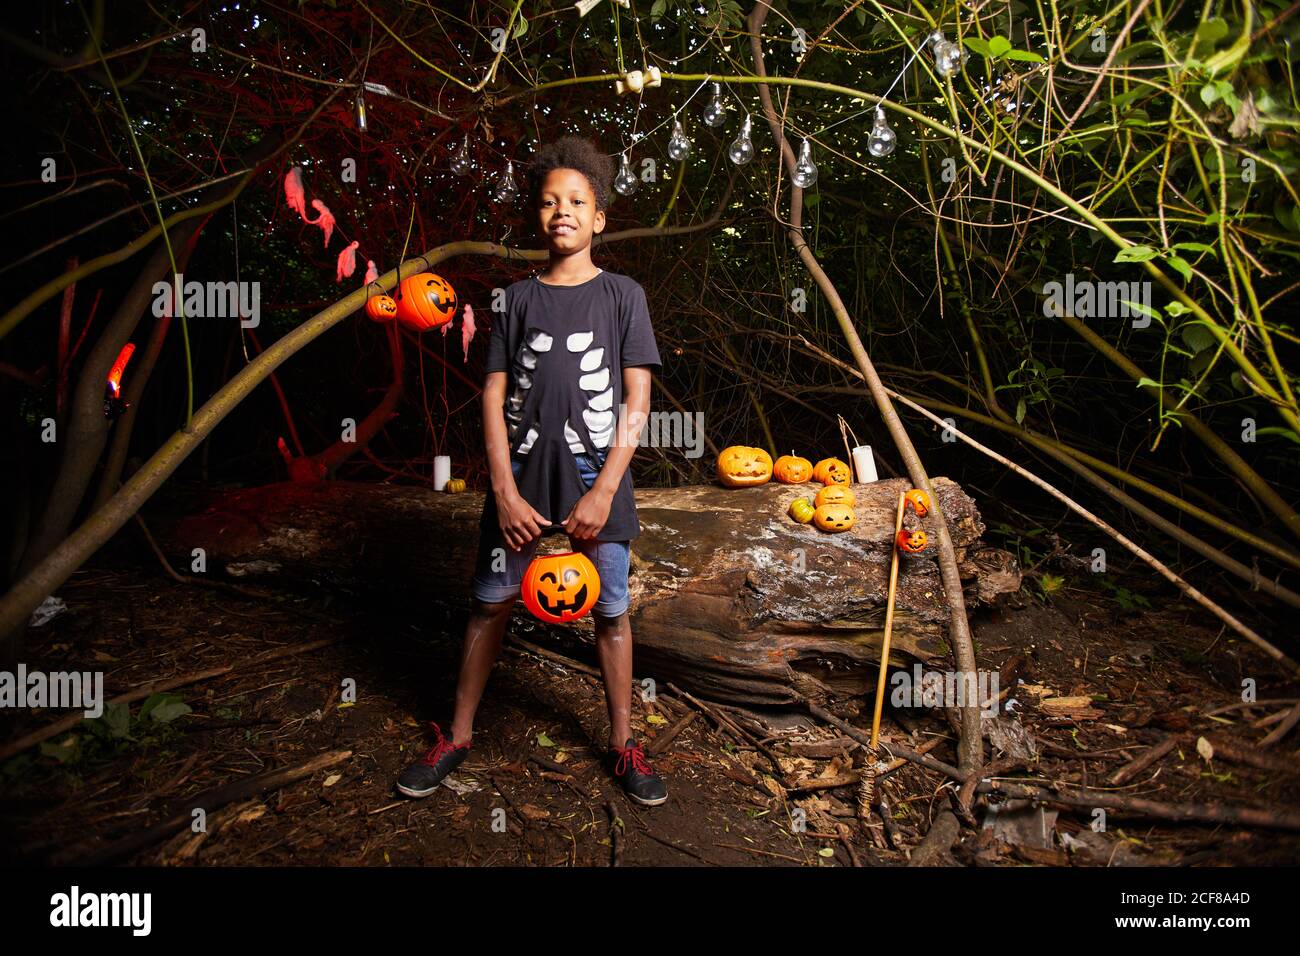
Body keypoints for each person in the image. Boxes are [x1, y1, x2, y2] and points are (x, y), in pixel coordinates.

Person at [396, 136, 668, 806]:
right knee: (489, 606)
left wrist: (606, 489)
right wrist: (504, 490)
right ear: (538, 217)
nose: (562, 211)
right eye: (549, 202)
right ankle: (456, 736)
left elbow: (638, 399)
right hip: (520, 473)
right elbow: (491, 395)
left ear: (599, 217)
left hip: (595, 470)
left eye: (577, 201)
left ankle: (622, 742)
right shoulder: (513, 300)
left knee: (610, 612)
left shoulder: (623, 295)